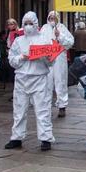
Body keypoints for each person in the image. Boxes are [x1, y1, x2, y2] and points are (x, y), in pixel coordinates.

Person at [4, 12, 55, 151]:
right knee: (19, 109)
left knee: (42, 109)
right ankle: (16, 137)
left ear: (36, 24)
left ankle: (45, 138)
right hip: (21, 79)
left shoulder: (44, 40)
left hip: (39, 78)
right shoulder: (18, 41)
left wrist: (45, 56)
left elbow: (51, 62)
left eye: (30, 23)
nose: (28, 26)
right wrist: (22, 57)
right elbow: (12, 60)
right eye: (25, 23)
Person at [41, 11, 75, 118]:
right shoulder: (44, 28)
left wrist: (59, 35)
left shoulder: (62, 28)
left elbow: (70, 42)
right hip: (47, 59)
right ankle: (46, 106)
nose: (52, 19)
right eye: (50, 17)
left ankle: (62, 105)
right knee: (47, 82)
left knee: (60, 81)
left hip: (59, 59)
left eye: (54, 17)